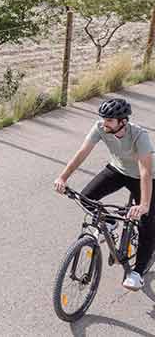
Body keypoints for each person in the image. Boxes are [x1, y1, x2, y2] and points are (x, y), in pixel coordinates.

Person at [54, 97, 153, 290]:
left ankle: (137, 272)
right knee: (86, 198)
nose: (104, 123)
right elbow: (82, 152)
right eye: (103, 119)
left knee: (146, 224)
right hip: (117, 170)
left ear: (122, 122)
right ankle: (110, 222)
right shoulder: (100, 127)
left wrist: (144, 205)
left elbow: (145, 172)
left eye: (109, 120)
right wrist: (63, 178)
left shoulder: (139, 136)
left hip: (146, 178)